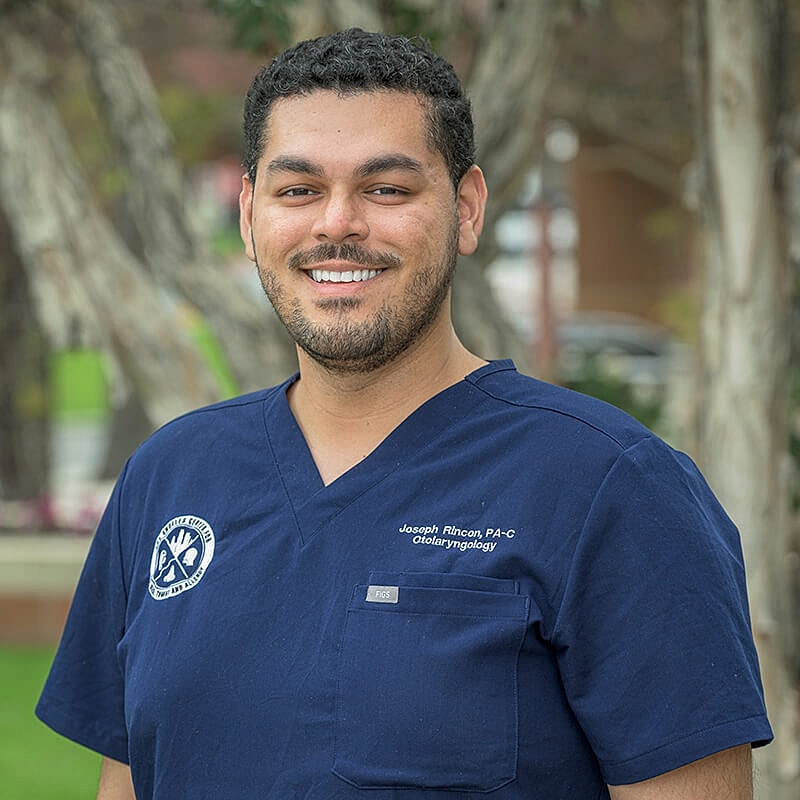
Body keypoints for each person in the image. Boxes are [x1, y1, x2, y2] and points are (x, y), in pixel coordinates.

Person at [37, 28, 772, 800]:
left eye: (386, 189)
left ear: (466, 208)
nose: (337, 223)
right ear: (250, 214)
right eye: (298, 190)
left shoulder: (612, 488)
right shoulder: (170, 475)